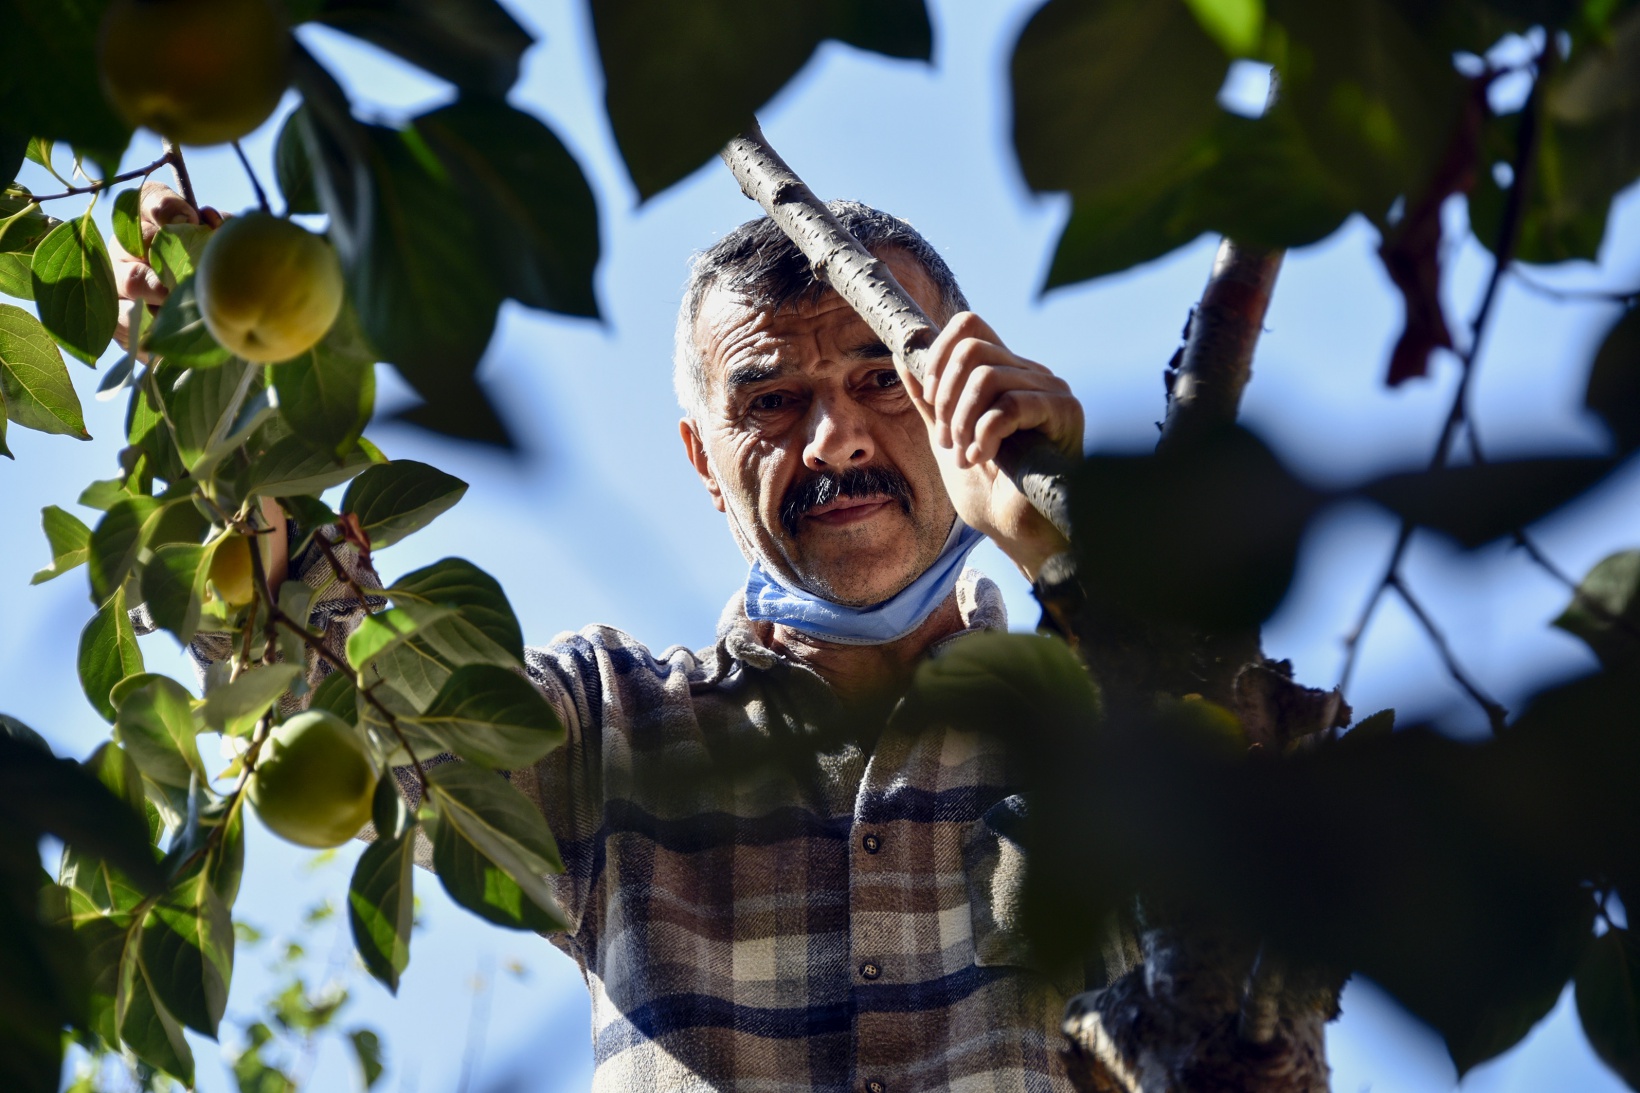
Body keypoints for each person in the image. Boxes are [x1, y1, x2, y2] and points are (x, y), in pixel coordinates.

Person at [117, 189, 1088, 1092]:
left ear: (961, 396)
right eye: (770, 401)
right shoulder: (609, 728)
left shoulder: (1102, 723)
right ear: (703, 460)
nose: (836, 439)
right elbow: (313, 682)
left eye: (880, 377)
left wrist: (1068, 545)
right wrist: (216, 399)